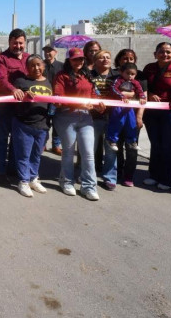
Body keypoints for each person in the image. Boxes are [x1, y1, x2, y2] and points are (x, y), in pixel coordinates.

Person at [53, 47, 105, 201]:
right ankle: (66, 181)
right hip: (66, 117)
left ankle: (89, 186)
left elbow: (94, 95)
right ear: (69, 60)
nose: (79, 62)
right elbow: (58, 98)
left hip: (85, 118)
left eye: (81, 59)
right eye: (75, 59)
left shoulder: (87, 76)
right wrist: (79, 105)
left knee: (88, 153)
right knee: (68, 152)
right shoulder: (61, 76)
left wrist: (98, 105)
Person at [142, 42, 171, 190]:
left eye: (168, 52)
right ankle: (154, 175)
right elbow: (142, 89)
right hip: (152, 112)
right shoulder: (149, 68)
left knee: (168, 145)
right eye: (161, 52)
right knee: (155, 144)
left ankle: (169, 179)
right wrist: (149, 94)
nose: (165, 54)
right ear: (155, 54)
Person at [12, 55, 52, 198]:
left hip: (42, 125)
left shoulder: (49, 82)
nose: (36, 68)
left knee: (36, 155)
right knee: (23, 155)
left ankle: (33, 178)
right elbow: (13, 96)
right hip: (23, 125)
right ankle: (23, 181)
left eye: (39, 65)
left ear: (44, 66)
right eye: (32, 66)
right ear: (27, 68)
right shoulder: (20, 81)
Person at [0, 28, 29, 183]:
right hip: (5, 106)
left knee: (18, 139)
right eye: (15, 43)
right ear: (9, 42)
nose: (18, 46)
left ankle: (14, 169)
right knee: (1, 139)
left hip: (24, 108)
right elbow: (1, 79)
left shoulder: (29, 58)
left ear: (25, 43)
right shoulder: (2, 59)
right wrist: (14, 90)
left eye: (21, 43)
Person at [113, 49, 147, 185]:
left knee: (132, 146)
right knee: (117, 146)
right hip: (117, 115)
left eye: (131, 59)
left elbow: (143, 96)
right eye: (124, 58)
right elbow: (113, 92)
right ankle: (117, 172)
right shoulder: (114, 75)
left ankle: (129, 176)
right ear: (119, 60)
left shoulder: (140, 76)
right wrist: (124, 94)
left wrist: (139, 117)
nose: (127, 61)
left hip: (133, 116)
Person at [87, 49, 118, 186]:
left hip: (112, 117)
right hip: (93, 117)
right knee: (89, 149)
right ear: (94, 61)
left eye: (108, 57)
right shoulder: (88, 75)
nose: (105, 59)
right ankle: (87, 175)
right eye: (101, 58)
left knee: (111, 149)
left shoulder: (117, 75)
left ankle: (110, 178)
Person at [105, 63, 146, 153]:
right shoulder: (119, 80)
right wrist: (121, 96)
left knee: (131, 123)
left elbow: (140, 91)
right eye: (128, 73)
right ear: (122, 72)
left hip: (129, 106)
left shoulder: (136, 82)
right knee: (117, 123)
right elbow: (114, 89)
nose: (130, 76)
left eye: (133, 74)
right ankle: (111, 140)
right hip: (118, 105)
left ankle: (132, 141)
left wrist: (142, 98)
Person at [42, 45, 64, 155]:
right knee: (44, 122)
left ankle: (56, 145)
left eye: (49, 51)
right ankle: (43, 144)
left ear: (55, 52)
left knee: (57, 123)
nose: (47, 53)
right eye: (45, 51)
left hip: (57, 99)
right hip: (43, 98)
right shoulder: (41, 65)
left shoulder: (61, 66)